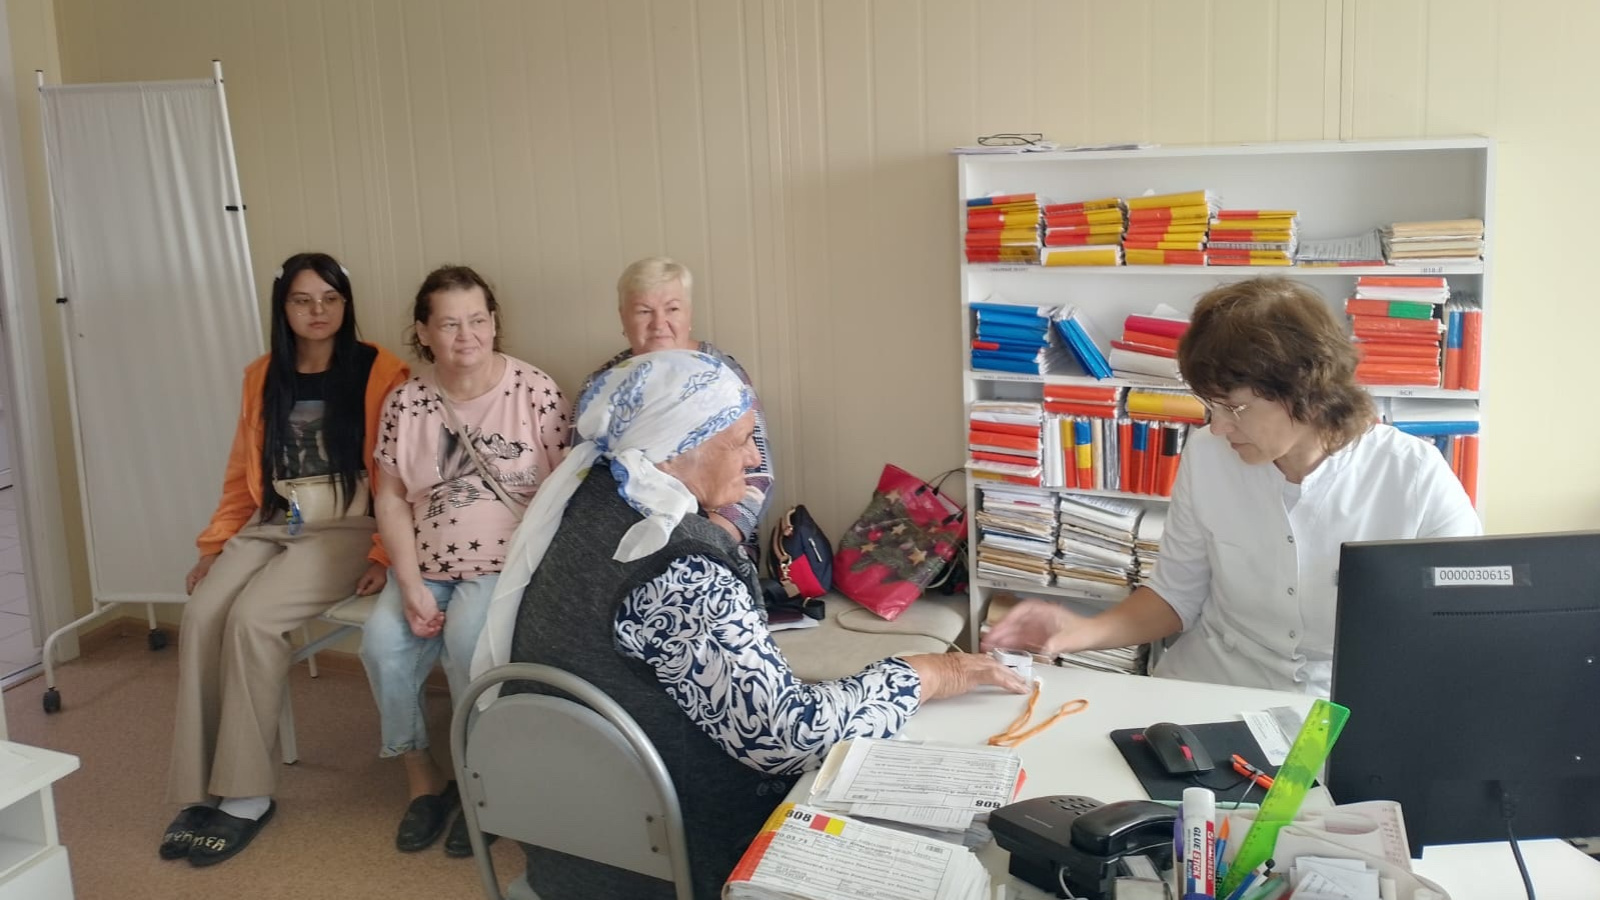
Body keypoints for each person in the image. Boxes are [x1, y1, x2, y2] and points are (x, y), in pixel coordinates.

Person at [474, 349, 1027, 899]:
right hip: (673, 865)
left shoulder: (583, 503)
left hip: (577, 847)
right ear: (676, 448)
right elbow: (786, 737)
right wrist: (928, 674)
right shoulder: (676, 566)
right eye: (738, 441)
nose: (755, 457)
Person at [984, 276, 1481, 697]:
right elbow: (1175, 595)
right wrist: (1080, 630)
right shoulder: (1207, 456)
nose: (1218, 427)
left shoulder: (1412, 474)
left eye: (1235, 408)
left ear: (1308, 391)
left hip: (1345, 699)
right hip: (1213, 681)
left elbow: (1468, 624)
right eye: (1210, 406)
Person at [161, 252, 409, 866]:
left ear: (346, 303)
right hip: (274, 519)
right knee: (204, 613)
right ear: (283, 307)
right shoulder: (263, 374)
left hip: (346, 526)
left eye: (330, 298)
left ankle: (247, 794)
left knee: (253, 620)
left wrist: (384, 553)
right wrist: (214, 546)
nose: (317, 311)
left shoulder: (380, 370)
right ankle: (201, 790)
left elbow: (399, 473)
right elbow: (240, 473)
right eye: (302, 300)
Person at [358, 265, 570, 857]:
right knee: (381, 644)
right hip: (424, 560)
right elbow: (390, 498)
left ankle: (486, 785)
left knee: (469, 644)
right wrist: (409, 585)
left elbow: (568, 489)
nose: (466, 335)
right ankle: (424, 781)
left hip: (505, 560)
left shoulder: (535, 391)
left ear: (494, 322)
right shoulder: (406, 402)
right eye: (449, 324)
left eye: (477, 320)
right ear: (424, 333)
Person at [579, 256, 772, 557]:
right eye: (644, 311)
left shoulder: (723, 375)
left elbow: (758, 476)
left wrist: (705, 543)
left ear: (689, 314)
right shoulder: (602, 386)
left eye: (672, 309)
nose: (659, 324)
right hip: (625, 539)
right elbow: (585, 472)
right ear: (623, 318)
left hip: (717, 536)